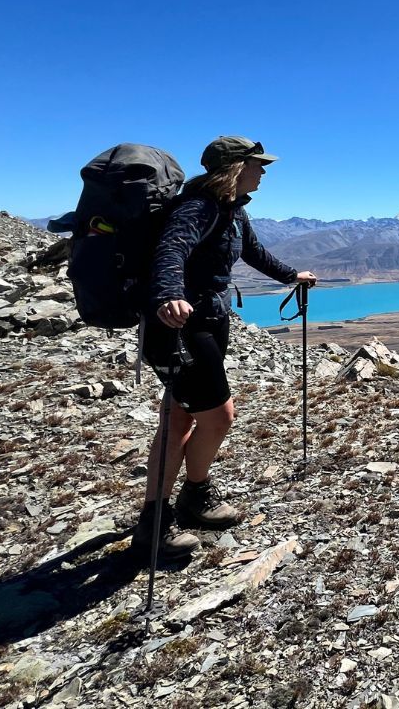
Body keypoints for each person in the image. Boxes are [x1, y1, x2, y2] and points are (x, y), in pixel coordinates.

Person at [132, 136, 318, 558]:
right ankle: (174, 511)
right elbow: (171, 249)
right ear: (235, 167)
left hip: (205, 320)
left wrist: (292, 275)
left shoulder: (232, 210)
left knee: (179, 418)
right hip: (179, 325)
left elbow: (253, 253)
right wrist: (167, 294)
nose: (263, 171)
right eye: (257, 164)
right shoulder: (199, 207)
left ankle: (171, 509)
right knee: (219, 416)